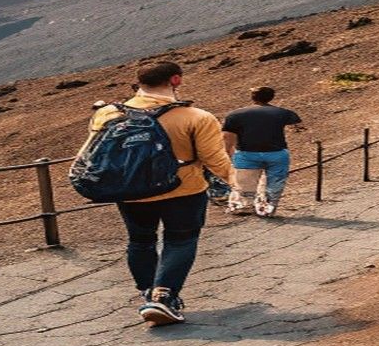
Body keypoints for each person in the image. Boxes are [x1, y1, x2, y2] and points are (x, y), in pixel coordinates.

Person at [83, 61, 232, 327]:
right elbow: (214, 159)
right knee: (181, 240)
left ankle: (148, 292)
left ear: (139, 82)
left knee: (140, 241)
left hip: (131, 191)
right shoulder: (196, 116)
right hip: (183, 189)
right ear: (176, 80)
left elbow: (96, 151)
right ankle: (164, 296)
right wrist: (239, 184)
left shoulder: (107, 113)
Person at [221, 87, 303, 218]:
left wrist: (228, 150)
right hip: (276, 153)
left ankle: (242, 205)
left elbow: (227, 136)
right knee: (275, 182)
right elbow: (298, 126)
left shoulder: (235, 114)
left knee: (244, 182)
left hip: (246, 153)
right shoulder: (283, 113)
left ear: (253, 97)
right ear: (271, 97)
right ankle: (266, 209)